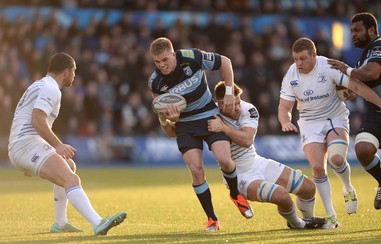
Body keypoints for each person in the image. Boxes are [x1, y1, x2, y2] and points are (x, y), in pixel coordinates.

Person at [278, 37, 381, 229]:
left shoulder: (328, 67)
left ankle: (347, 187)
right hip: (309, 123)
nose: (298, 63)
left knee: (336, 160)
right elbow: (284, 106)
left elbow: (358, 87)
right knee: (317, 168)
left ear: (314, 55)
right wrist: (285, 121)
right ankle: (331, 215)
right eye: (295, 59)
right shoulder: (291, 76)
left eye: (302, 59)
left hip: (334, 118)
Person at [8, 52, 126, 235]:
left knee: (69, 165)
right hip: (26, 143)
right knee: (71, 179)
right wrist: (57, 145)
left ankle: (61, 223)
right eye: (74, 71)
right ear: (66, 71)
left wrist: (24, 157)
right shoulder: (51, 89)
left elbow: (25, 116)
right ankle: (98, 223)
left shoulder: (40, 84)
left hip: (22, 144)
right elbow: (37, 119)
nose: (74, 76)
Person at [148, 37, 253, 232]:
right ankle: (212, 219)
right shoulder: (155, 83)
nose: (161, 65)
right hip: (185, 125)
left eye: (165, 60)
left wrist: (229, 91)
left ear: (173, 54)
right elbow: (169, 131)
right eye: (157, 62)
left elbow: (226, 62)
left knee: (225, 160)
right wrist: (168, 119)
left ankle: (235, 194)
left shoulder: (192, 57)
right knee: (196, 170)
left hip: (208, 116)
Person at [207, 81, 326, 229]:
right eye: (233, 105)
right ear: (221, 104)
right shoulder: (209, 115)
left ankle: (309, 219)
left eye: (238, 102)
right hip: (240, 176)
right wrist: (169, 121)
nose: (238, 107)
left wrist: (224, 128)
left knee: (308, 188)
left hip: (257, 162)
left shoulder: (248, 109)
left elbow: (247, 140)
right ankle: (298, 224)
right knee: (283, 197)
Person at [328, 12, 381, 229]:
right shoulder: (362, 57)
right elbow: (366, 83)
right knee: (363, 149)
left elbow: (372, 73)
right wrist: (352, 92)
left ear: (371, 30)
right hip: (377, 113)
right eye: (351, 31)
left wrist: (346, 69)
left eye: (357, 30)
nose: (353, 35)